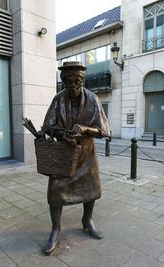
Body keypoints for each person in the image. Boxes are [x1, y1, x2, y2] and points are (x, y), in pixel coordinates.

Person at [40, 61, 110, 255]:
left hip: (86, 155)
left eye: (76, 82)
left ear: (82, 81)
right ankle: (56, 229)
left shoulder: (93, 99)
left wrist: (86, 129)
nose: (72, 86)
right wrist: (62, 135)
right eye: (68, 82)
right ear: (63, 83)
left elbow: (105, 130)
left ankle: (87, 220)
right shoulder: (58, 100)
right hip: (64, 155)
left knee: (91, 188)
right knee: (55, 192)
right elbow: (47, 126)